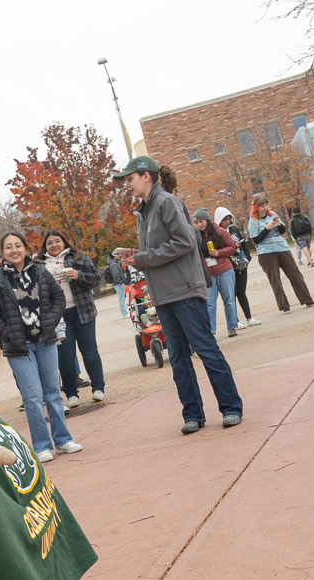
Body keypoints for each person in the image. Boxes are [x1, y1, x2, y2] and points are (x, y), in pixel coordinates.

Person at [114, 156, 243, 434]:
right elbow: (161, 250)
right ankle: (193, 414)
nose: (128, 184)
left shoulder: (167, 202)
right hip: (163, 295)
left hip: (185, 291)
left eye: (130, 178)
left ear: (146, 176)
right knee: (179, 358)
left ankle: (231, 407)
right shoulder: (144, 211)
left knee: (206, 350)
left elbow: (186, 241)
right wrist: (136, 257)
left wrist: (145, 258)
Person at [0, 231, 83, 462]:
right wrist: (8, 333)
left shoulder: (40, 271)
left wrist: (51, 320)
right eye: (8, 247)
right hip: (19, 347)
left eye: (18, 245)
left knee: (54, 393)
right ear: (3, 251)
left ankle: (63, 440)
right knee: (33, 397)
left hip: (45, 342)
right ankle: (42, 446)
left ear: (26, 248)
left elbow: (58, 298)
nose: (14, 250)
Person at [36, 230, 104, 407]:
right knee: (65, 355)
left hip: (84, 311)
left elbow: (96, 279)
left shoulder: (79, 256)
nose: (54, 245)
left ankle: (98, 388)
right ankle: (72, 394)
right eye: (50, 243)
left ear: (64, 242)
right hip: (58, 316)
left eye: (57, 241)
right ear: (45, 246)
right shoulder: (39, 264)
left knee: (90, 351)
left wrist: (78, 275)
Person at [247, 193, 314, 314]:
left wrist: (279, 225)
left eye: (266, 205)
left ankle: (307, 299)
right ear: (256, 207)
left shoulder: (273, 215)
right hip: (266, 252)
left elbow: (283, 231)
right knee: (275, 280)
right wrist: (267, 228)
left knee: (295, 274)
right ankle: (284, 306)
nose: (264, 208)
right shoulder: (253, 222)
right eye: (261, 206)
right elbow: (256, 240)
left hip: (281, 248)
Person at [192, 207, 239, 337]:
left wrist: (219, 253)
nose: (199, 225)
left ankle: (232, 326)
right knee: (210, 304)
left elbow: (232, 248)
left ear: (207, 220)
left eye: (201, 221)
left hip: (225, 270)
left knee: (229, 299)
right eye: (196, 223)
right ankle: (211, 331)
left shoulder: (221, 231)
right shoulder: (196, 236)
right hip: (208, 274)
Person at [214, 207, 261, 328]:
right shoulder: (216, 233)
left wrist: (247, 257)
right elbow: (219, 250)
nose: (228, 222)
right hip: (228, 266)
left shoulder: (233, 229)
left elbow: (244, 242)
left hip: (241, 264)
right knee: (231, 295)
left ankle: (249, 318)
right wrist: (232, 247)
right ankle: (235, 321)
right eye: (225, 220)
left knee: (241, 292)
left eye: (229, 219)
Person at [107, 251, 129, 317]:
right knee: (121, 299)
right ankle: (124, 313)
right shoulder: (113, 264)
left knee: (122, 298)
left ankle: (124, 313)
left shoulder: (115, 263)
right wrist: (120, 281)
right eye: (116, 254)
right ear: (114, 256)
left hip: (119, 283)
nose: (118, 255)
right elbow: (115, 275)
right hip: (118, 284)